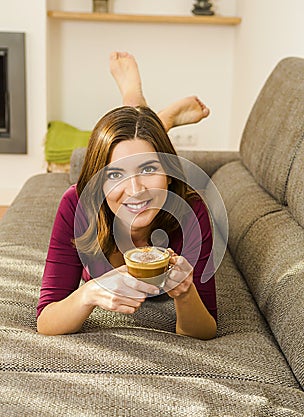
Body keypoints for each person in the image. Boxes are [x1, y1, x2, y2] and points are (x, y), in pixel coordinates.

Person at [36, 51, 217, 339]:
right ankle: (152, 115)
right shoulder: (77, 204)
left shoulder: (189, 210)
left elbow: (204, 330)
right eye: (114, 174)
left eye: (150, 169)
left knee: (137, 140)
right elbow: (46, 322)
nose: (135, 190)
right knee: (135, 140)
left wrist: (186, 293)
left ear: (169, 175)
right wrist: (89, 293)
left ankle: (155, 124)